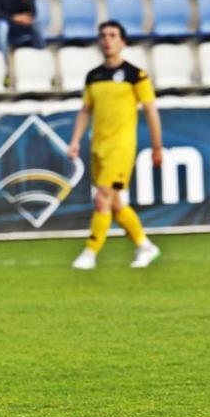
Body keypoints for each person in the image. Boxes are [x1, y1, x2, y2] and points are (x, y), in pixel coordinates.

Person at [68, 20, 163, 271]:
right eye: (103, 35)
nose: (107, 40)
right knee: (116, 203)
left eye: (113, 35)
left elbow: (151, 111)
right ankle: (145, 245)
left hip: (121, 148)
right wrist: (76, 140)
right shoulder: (94, 76)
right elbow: (85, 110)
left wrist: (157, 147)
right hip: (98, 147)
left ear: (123, 41)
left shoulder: (135, 75)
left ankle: (90, 252)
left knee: (102, 199)